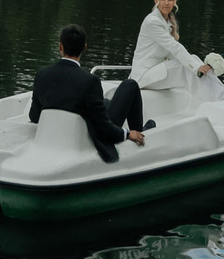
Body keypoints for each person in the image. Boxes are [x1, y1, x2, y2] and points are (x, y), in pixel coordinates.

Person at [28, 24, 147, 164]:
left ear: (60, 46)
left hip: (63, 128)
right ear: (84, 47)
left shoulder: (42, 75)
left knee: (105, 102)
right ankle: (139, 131)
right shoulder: (90, 81)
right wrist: (127, 134)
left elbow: (34, 116)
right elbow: (104, 128)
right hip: (91, 129)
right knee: (130, 85)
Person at [132, 0, 213, 112]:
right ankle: (220, 95)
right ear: (155, 0)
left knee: (193, 59)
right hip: (143, 76)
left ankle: (220, 92)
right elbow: (174, 47)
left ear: (174, 1)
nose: (166, 3)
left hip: (156, 71)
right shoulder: (152, 21)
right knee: (187, 66)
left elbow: (172, 53)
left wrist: (196, 65)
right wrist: (196, 67)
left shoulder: (167, 21)